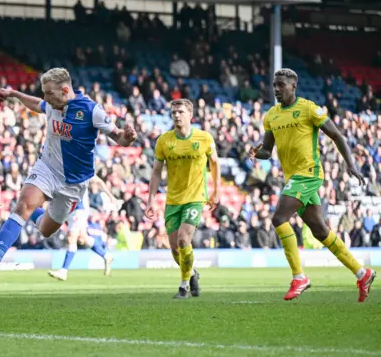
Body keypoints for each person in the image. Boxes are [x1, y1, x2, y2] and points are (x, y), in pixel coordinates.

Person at [0, 68, 137, 281]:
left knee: (45, 229)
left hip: (73, 184)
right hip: (47, 168)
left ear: (64, 90)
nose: (46, 98)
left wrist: (127, 137)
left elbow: (118, 136)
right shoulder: (52, 104)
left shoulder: (91, 110)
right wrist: (14, 95)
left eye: (49, 93)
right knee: (24, 204)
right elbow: (36, 104)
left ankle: (28, 212)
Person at [250, 68, 376, 302]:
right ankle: (362, 272)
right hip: (293, 178)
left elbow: (337, 135)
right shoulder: (271, 116)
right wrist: (258, 152)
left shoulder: (309, 109)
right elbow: (268, 150)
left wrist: (350, 164)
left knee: (278, 219)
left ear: (293, 86)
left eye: (281, 85)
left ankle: (299, 277)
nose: (276, 89)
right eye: (274, 85)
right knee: (320, 231)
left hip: (308, 174)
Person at [145, 99, 221, 299]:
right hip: (173, 200)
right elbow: (155, 172)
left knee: (183, 239)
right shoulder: (164, 141)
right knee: (175, 249)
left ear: (190, 115)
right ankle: (193, 273)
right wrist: (151, 199)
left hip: (196, 197)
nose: (176, 116)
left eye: (180, 112)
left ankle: (184, 286)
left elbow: (214, 164)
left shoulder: (204, 138)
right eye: (173, 113)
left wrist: (216, 191)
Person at [48, 176, 116, 281]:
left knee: (71, 238)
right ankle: (106, 255)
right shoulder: (63, 169)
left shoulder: (81, 169)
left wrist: (111, 197)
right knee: (82, 238)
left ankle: (63, 271)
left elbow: (98, 181)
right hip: (71, 209)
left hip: (79, 208)